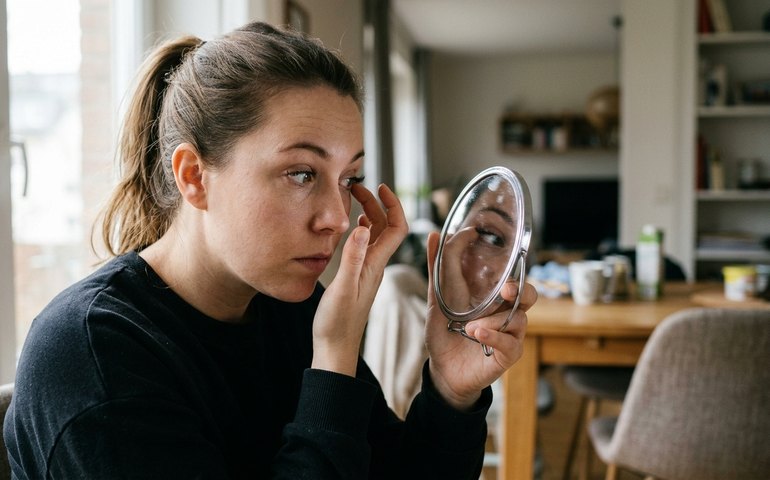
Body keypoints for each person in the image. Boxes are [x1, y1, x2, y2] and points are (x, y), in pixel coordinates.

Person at [3, 21, 536, 479]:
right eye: (301, 173)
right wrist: (333, 360)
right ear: (194, 177)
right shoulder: (94, 356)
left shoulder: (289, 309)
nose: (338, 217)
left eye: (349, 178)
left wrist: (450, 392)